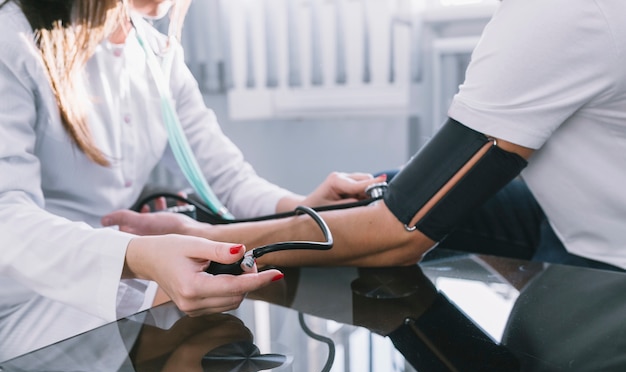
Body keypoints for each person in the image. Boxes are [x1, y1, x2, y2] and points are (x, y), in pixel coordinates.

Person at [104, 0, 626, 273]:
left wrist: (202, 241)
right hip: (578, 214)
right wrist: (298, 212)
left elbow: (402, 230)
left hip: (607, 259)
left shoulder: (557, 12)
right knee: (383, 189)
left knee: (388, 223)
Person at [0, 0, 384, 346]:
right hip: (22, 299)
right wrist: (136, 256)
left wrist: (300, 208)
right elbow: (7, 218)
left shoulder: (157, 55)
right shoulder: (12, 40)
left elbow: (228, 179)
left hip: (121, 277)